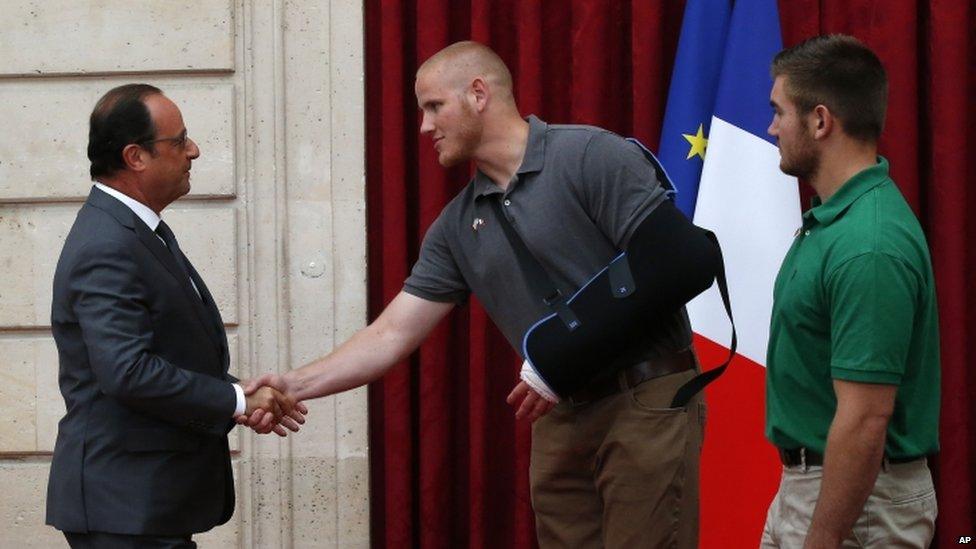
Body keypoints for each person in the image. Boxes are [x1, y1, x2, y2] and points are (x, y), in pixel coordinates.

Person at [245, 41, 707, 547]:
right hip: (562, 417)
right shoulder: (456, 226)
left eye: (434, 106)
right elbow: (392, 332)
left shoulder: (590, 155)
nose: (424, 127)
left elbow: (676, 263)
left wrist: (561, 355)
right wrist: (294, 383)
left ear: (479, 93)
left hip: (645, 397)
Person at [46, 83, 306, 549]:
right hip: (124, 506)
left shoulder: (138, 231)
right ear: (135, 156)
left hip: (142, 506)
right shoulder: (109, 243)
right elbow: (127, 371)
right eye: (179, 139)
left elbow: (166, 353)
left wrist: (238, 392)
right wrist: (239, 401)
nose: (194, 150)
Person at [762, 35, 940, 548]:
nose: (772, 127)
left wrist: (822, 538)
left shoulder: (869, 244)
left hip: (857, 507)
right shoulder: (835, 221)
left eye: (779, 112)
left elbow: (865, 420)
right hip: (817, 491)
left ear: (820, 121)